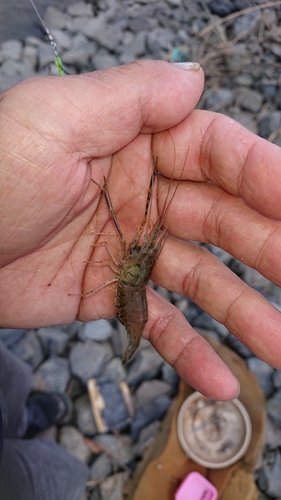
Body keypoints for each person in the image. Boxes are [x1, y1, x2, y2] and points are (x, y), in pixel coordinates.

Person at [1, 59, 281, 498]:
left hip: (127, 293)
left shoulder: (127, 271)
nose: (145, 244)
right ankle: (22, 420)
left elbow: (131, 258)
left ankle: (18, 417)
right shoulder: (131, 270)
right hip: (127, 293)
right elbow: (136, 255)